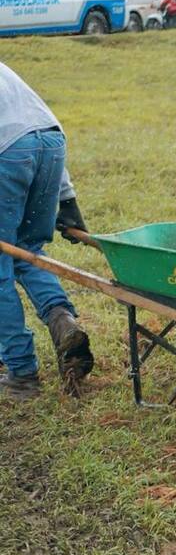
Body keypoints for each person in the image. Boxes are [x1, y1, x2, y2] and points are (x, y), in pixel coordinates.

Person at [0, 62, 95, 399]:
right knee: (27, 251)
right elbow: (36, 125)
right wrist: (67, 197)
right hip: (51, 143)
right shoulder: (5, 70)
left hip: (7, 152)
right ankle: (62, 322)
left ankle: (22, 374)